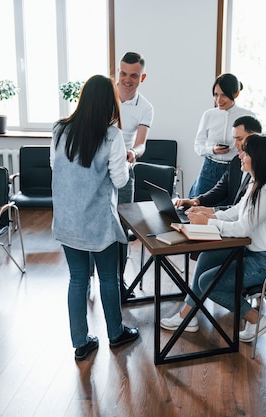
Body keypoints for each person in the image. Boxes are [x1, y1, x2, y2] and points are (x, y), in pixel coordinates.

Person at [161, 133, 266, 343]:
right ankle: (187, 315)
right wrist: (210, 214)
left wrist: (208, 223)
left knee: (208, 282)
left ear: (259, 158)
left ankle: (255, 319)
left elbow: (242, 228)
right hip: (259, 254)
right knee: (209, 254)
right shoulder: (257, 184)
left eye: (245, 152)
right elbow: (236, 211)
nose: (240, 155)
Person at [51, 75, 140, 362]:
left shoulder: (59, 129)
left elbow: (56, 166)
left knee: (77, 279)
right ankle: (116, 333)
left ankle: (81, 342)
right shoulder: (112, 136)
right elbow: (120, 179)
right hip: (98, 220)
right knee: (109, 278)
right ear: (108, 103)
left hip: (67, 217)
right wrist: (127, 160)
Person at [116, 51, 154, 295]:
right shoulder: (105, 96)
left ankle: (118, 281)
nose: (127, 80)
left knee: (121, 229)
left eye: (133, 75)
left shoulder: (146, 107)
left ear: (143, 77)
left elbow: (141, 144)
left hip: (124, 169)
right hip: (97, 172)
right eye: (122, 73)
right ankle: (88, 277)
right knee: (94, 226)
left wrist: (133, 152)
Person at [188, 73, 256, 202]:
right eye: (215, 95)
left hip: (236, 168)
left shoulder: (248, 116)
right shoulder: (208, 115)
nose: (219, 100)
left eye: (223, 95)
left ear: (236, 94)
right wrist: (212, 149)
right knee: (197, 204)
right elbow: (198, 147)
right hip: (210, 169)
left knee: (228, 209)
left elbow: (255, 147)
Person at [176, 115, 261, 210]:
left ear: (255, 137)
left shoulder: (262, 169)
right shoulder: (236, 161)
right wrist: (196, 201)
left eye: (240, 139)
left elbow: (241, 210)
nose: (235, 144)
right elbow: (220, 190)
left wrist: (210, 213)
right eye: (234, 139)